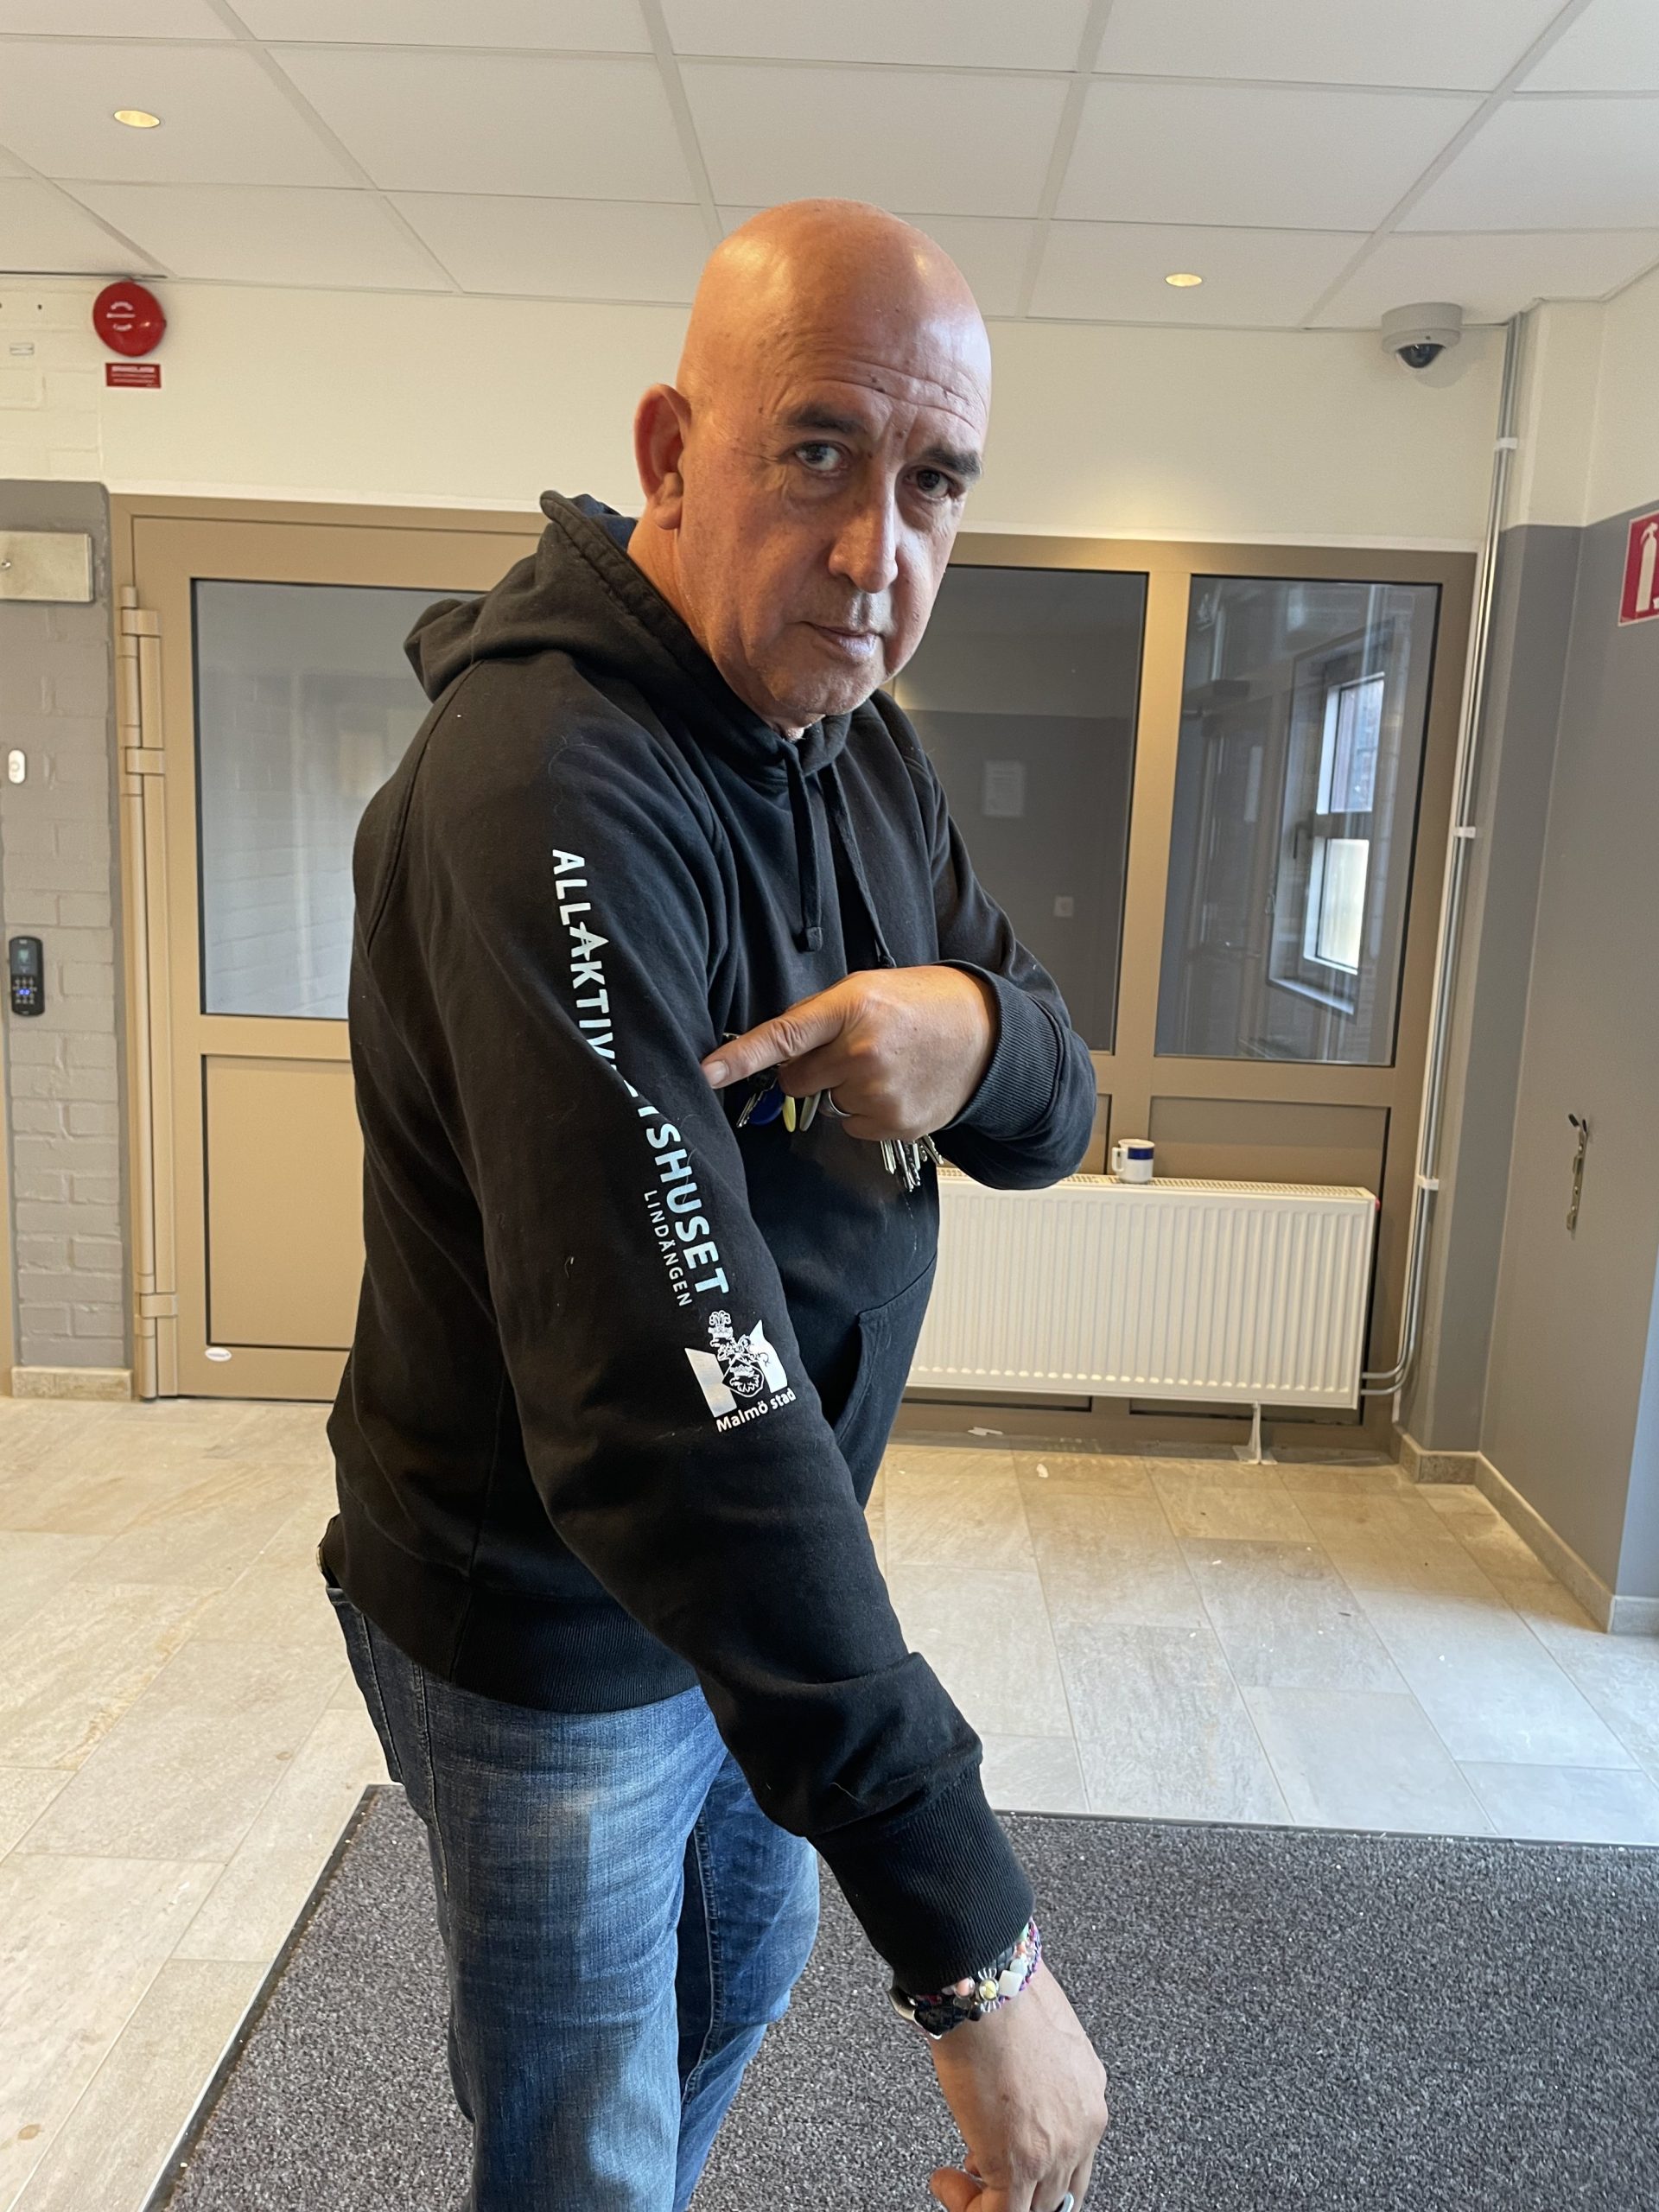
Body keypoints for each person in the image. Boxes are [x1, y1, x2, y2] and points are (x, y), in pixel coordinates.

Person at [321, 198, 1109, 2212]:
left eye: (934, 483)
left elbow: (1058, 1103)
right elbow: (670, 1403)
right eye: (819, 452)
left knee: (733, 1977)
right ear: (674, 454)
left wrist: (974, 1038)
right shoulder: (545, 791)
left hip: (754, 1585)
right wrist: (978, 1950)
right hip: (552, 1628)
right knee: (585, 2121)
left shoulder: (854, 741)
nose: (876, 552)